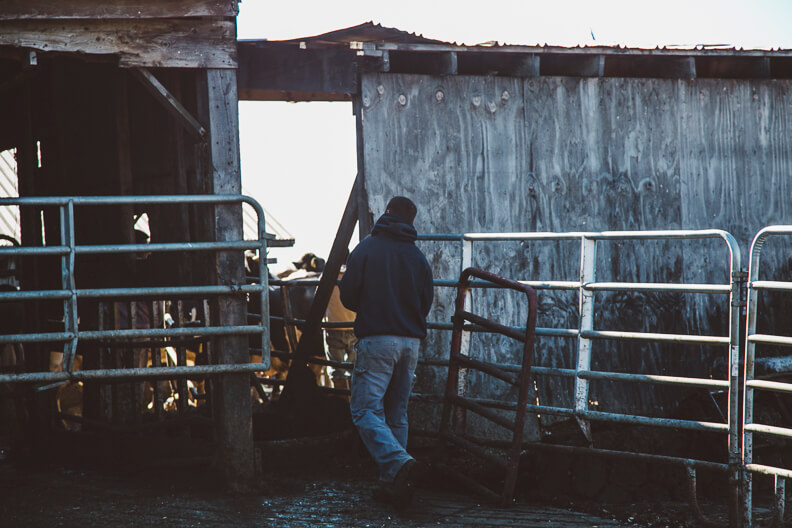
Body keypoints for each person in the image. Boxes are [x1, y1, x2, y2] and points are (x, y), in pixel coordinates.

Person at [339, 196, 434, 508]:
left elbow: (349, 295)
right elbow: (425, 303)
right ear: (412, 222)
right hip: (411, 342)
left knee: (365, 410)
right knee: (397, 412)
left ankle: (399, 463)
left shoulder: (365, 249)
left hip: (378, 339)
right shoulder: (418, 258)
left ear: (387, 213)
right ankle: (393, 485)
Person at [324, 249, 356, 393]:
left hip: (333, 327)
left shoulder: (327, 275)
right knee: (355, 368)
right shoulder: (354, 274)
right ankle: (354, 404)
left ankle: (341, 400)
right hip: (354, 326)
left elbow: (319, 299)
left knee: (337, 369)